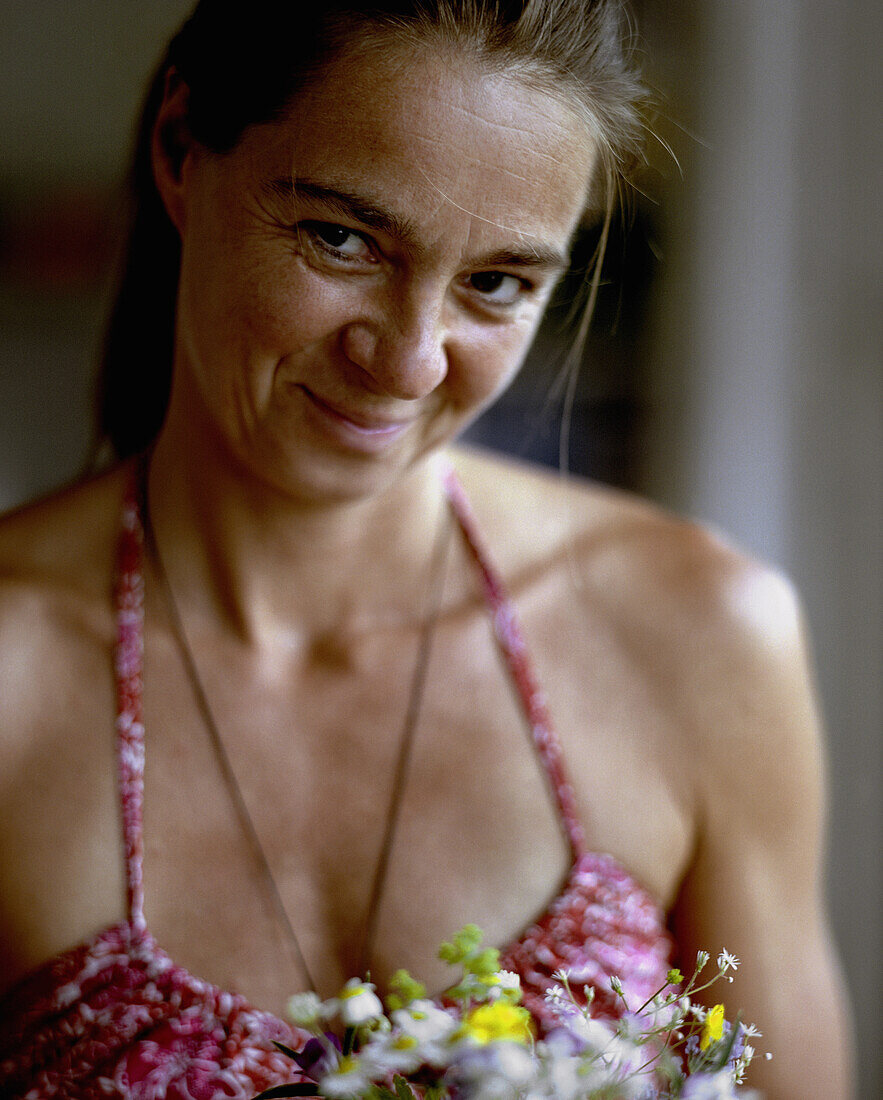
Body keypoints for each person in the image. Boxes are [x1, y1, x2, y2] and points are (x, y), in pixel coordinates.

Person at [0, 1, 852, 1097]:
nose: (405, 362)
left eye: (494, 283)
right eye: (341, 239)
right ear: (181, 151)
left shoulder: (697, 635)